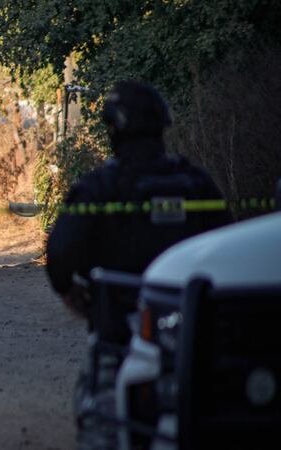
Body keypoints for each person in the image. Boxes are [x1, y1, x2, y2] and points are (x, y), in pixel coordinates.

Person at [46, 81, 231, 449]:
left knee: (102, 424)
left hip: (119, 337)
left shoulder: (98, 187)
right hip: (192, 341)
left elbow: (61, 252)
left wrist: (72, 292)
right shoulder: (197, 184)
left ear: (113, 128)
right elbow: (226, 247)